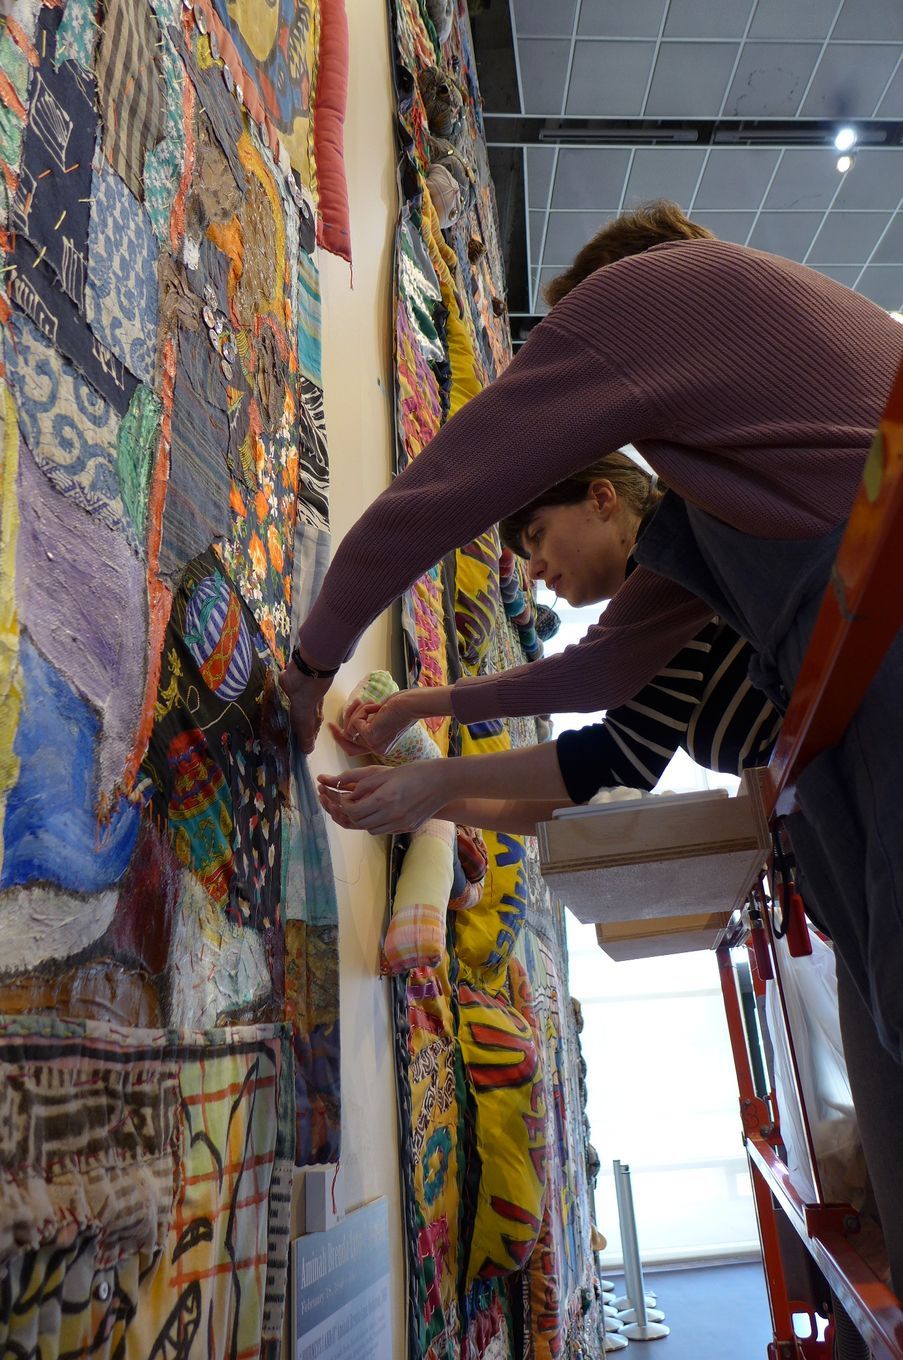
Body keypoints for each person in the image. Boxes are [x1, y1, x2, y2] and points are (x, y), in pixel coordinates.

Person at [317, 452, 781, 836]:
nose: (535, 569)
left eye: (538, 537)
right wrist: (432, 795)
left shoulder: (666, 559)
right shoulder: (659, 595)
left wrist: (433, 771)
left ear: (601, 499)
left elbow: (608, 750)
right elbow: (596, 792)